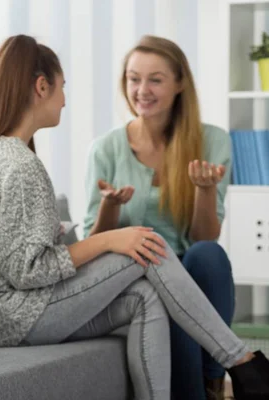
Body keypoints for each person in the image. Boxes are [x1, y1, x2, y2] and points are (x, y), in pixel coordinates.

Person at [0, 34, 269, 400]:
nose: (65, 99)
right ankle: (244, 362)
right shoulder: (21, 165)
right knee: (144, 243)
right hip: (6, 318)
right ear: (42, 87)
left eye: (155, 79)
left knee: (143, 297)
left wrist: (25, 228)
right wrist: (108, 239)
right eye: (62, 87)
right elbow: (28, 271)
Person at [83, 35, 235, 400]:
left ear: (180, 83)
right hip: (133, 270)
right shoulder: (106, 148)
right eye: (134, 79)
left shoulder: (212, 141)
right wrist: (110, 206)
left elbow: (205, 237)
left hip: (188, 263)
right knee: (167, 286)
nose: (142, 90)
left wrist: (204, 190)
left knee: (207, 257)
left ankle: (214, 382)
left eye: (155, 79)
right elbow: (91, 242)